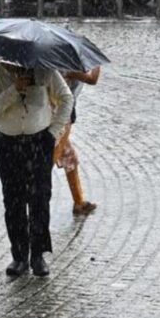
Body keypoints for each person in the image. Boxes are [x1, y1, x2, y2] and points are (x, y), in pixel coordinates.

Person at [0, 62, 73, 277]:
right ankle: (19, 256)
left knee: (40, 198)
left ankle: (38, 255)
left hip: (39, 142)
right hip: (9, 144)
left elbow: (66, 98)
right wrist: (14, 90)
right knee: (13, 200)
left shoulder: (45, 70)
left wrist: (54, 132)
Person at [56, 66, 101, 215]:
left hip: (55, 115)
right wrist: (97, 63)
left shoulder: (53, 63)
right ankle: (34, 198)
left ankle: (79, 202)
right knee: (49, 160)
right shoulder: (65, 66)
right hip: (58, 118)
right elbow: (92, 79)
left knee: (70, 158)